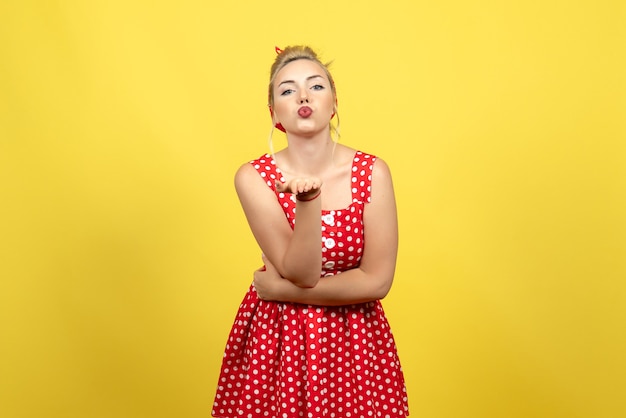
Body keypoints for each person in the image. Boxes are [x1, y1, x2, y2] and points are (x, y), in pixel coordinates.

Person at [212, 45, 409, 418]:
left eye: (315, 86)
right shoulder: (254, 178)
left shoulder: (373, 172)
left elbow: (378, 282)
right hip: (278, 342)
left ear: (334, 102)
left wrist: (280, 289)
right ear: (275, 115)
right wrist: (309, 202)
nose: (302, 96)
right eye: (287, 90)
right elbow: (302, 272)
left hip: (356, 344)